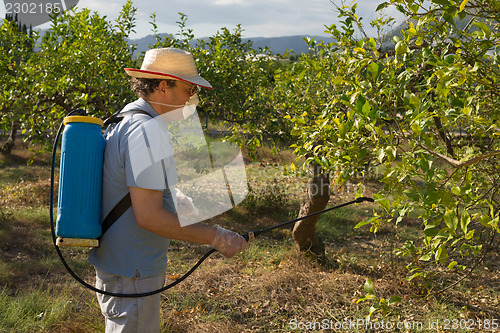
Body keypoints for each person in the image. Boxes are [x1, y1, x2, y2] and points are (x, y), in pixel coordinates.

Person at [88, 48, 247, 332]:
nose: (191, 98)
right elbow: (148, 216)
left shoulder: (128, 117)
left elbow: (132, 186)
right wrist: (218, 237)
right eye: (188, 89)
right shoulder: (147, 130)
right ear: (163, 86)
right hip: (132, 271)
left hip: (122, 266)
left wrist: (173, 197)